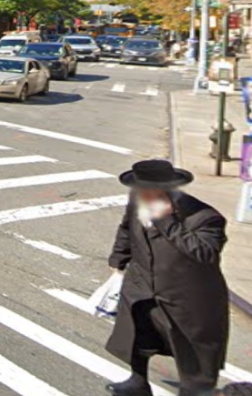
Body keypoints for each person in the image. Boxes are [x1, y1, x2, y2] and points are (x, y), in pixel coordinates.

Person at [105, 159, 228, 396]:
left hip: (187, 298)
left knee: (194, 358)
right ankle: (138, 381)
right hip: (142, 285)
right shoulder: (136, 202)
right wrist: (118, 260)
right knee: (138, 336)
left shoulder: (206, 217)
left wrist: (166, 221)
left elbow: (205, 253)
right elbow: (126, 230)